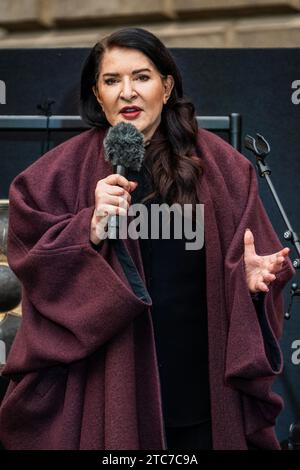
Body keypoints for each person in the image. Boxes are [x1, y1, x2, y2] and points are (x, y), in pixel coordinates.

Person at [0, 27, 295, 451]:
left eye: (142, 77)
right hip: (107, 386)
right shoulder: (58, 175)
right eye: (111, 80)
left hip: (198, 391)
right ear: (97, 95)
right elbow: (30, 259)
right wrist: (87, 226)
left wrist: (248, 282)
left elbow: (256, 259)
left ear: (167, 85)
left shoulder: (226, 169)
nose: (127, 93)